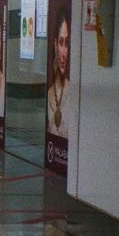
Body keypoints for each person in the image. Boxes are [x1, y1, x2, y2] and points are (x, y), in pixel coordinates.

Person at [46, 7, 71, 138]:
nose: (63, 53)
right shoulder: (49, 93)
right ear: (55, 45)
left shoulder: (72, 92)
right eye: (61, 42)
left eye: (67, 43)